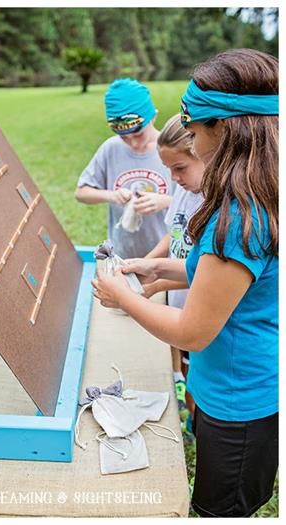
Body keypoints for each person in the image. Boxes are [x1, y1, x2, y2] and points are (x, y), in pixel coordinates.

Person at [92, 49, 278, 517]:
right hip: (232, 388)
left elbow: (193, 332)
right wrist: (157, 269)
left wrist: (121, 297)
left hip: (241, 407)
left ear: (224, 129)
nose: (192, 146)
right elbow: (227, 281)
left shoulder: (238, 219)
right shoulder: (252, 196)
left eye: (193, 134)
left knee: (219, 511)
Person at [142, 114, 204, 436]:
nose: (174, 177)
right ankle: (185, 401)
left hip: (200, 309)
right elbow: (172, 234)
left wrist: (155, 282)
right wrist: (146, 261)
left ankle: (197, 426)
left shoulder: (212, 202)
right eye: (168, 169)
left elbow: (201, 273)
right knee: (182, 362)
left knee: (198, 377)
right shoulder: (183, 190)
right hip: (177, 300)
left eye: (180, 168)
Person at [75, 78, 173, 259]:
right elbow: (81, 192)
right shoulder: (111, 148)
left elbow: (196, 203)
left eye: (138, 134)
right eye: (124, 137)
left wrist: (166, 201)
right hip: (123, 256)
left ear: (153, 116)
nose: (133, 142)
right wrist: (112, 195)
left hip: (165, 259)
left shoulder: (171, 150)